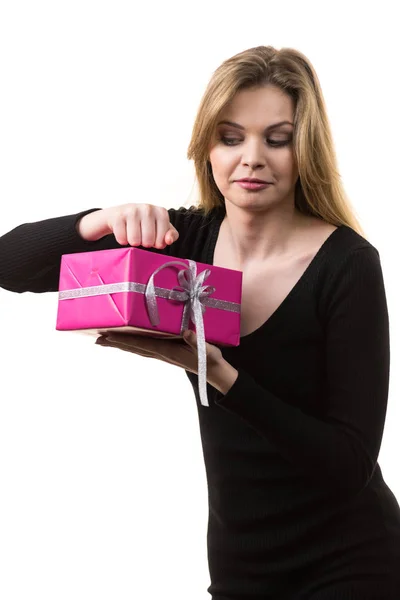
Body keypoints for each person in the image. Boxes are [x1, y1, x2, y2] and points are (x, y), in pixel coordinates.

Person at [1, 44, 400, 599]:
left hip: (352, 562)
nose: (252, 158)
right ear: (206, 148)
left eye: (277, 138)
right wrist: (100, 221)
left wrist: (221, 376)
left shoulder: (349, 265)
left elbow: (348, 463)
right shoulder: (183, 244)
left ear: (304, 148)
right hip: (240, 568)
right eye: (231, 137)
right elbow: (9, 263)